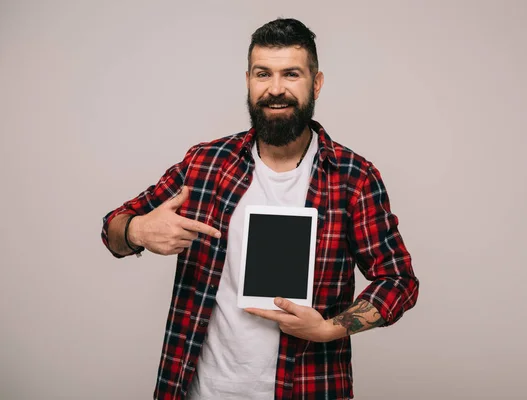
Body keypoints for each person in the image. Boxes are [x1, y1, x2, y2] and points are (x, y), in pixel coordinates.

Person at [101, 18, 419, 400]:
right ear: (248, 80)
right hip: (199, 390)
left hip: (306, 388)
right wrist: (136, 231)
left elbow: (399, 281)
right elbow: (113, 231)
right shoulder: (205, 164)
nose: (276, 89)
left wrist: (330, 329)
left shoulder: (353, 178)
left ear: (316, 83)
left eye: (291, 74)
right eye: (263, 73)